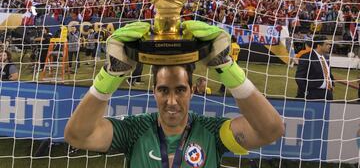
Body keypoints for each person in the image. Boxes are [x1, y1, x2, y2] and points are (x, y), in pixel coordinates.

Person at [65, 21, 284, 167]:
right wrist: (111, 76)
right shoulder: (134, 131)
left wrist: (227, 69)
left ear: (192, 91)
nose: (171, 101)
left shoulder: (212, 133)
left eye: (180, 90)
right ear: (154, 92)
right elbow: (77, 135)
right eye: (163, 90)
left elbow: (271, 129)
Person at [295, 35, 334, 100]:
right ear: (319, 46)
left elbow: (328, 73)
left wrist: (332, 84)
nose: (330, 46)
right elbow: (299, 77)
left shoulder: (326, 57)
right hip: (312, 94)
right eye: (326, 44)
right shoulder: (306, 57)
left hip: (327, 93)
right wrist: (306, 92)